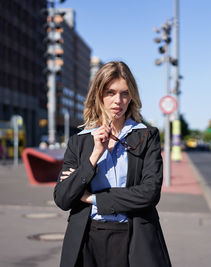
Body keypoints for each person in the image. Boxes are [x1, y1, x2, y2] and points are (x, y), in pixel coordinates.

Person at [54, 61, 171, 267]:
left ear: (131, 96)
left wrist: (91, 198)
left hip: (135, 238)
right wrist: (94, 155)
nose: (118, 100)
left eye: (124, 93)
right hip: (87, 239)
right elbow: (63, 199)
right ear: (98, 95)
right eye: (110, 92)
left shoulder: (146, 136)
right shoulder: (79, 141)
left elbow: (149, 193)